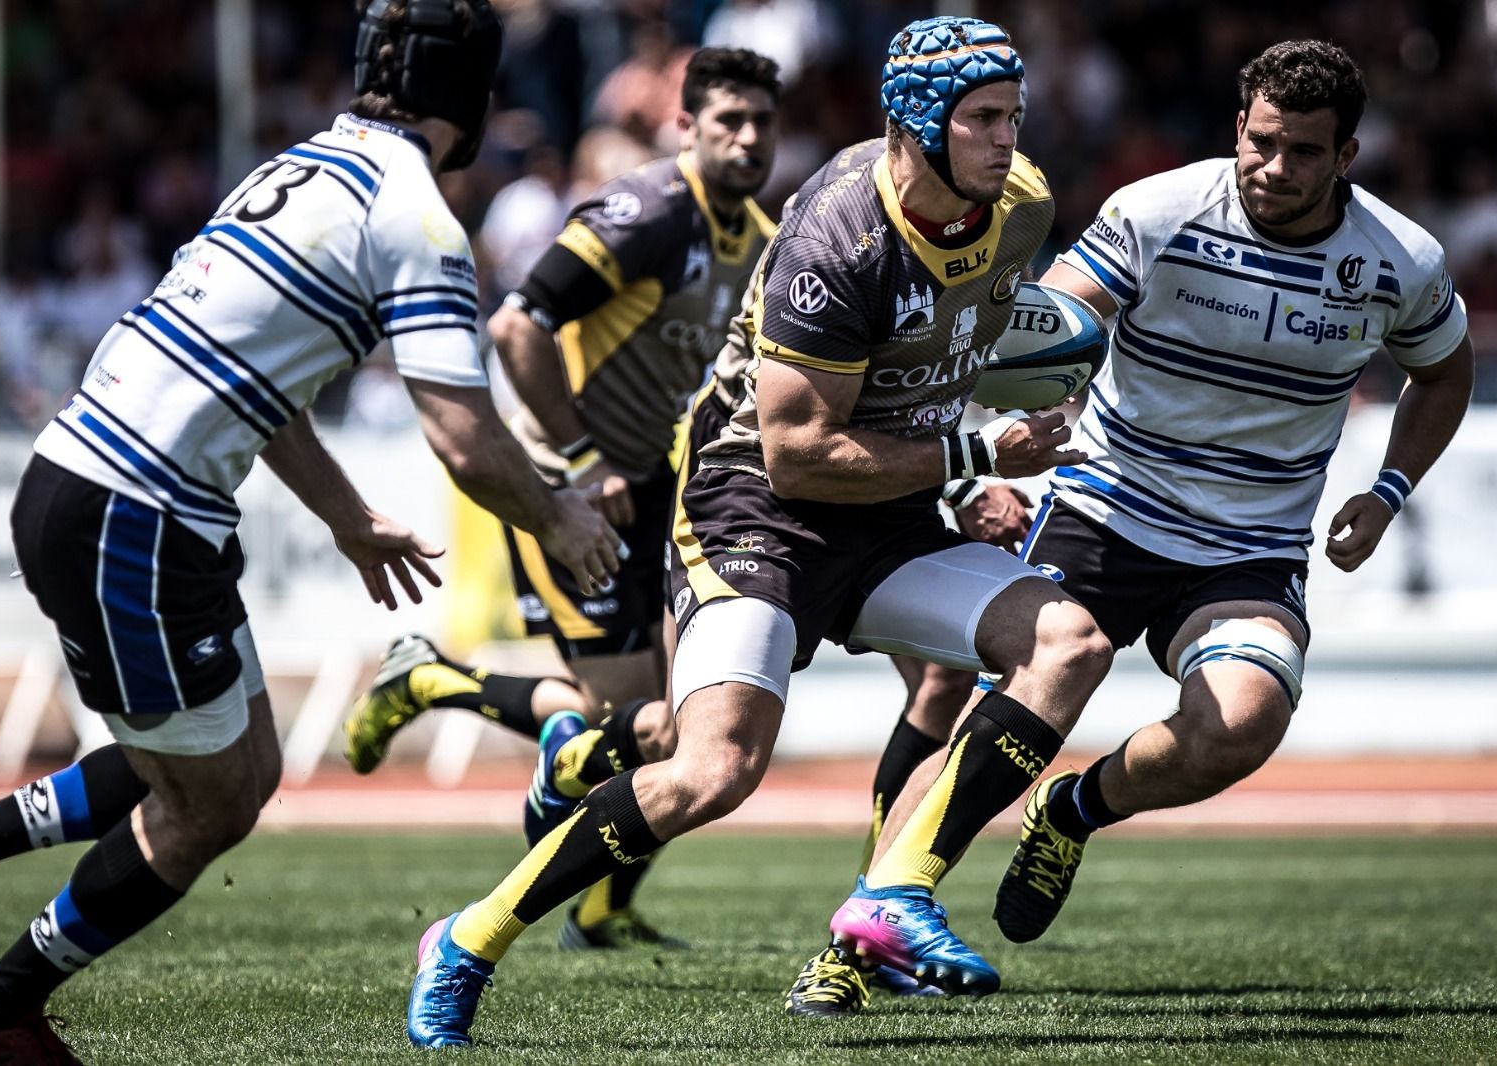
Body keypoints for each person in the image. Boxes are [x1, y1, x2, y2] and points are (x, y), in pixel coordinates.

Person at [400, 16, 1107, 1049]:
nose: (1009, 141)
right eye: (984, 119)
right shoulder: (834, 239)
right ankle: (465, 938)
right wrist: (976, 460)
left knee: (1067, 642)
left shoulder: (1020, 207)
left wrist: (958, 469)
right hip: (754, 508)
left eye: (1013, 116)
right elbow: (797, 453)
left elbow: (942, 359)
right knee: (712, 769)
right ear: (916, 123)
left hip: (892, 512)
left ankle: (895, 892)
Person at [0, 3, 621, 1061]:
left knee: (235, 764)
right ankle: (2, 1008)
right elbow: (462, 436)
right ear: (470, 97)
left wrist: (344, 515)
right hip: (132, 518)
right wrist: (559, 515)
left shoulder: (309, 167)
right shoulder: (415, 214)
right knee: (204, 804)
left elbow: (251, 375)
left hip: (109, 490)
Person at [791, 38, 1478, 1016]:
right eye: (1260, 141)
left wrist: (1392, 485)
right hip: (1103, 512)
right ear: (1237, 127)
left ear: (1347, 156)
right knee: (993, 716)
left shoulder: (1396, 260)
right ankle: (854, 939)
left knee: (1241, 723)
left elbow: (1445, 371)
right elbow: (1059, 318)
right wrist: (1033, 400)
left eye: (1301, 152)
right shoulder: (1157, 211)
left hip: (1250, 545)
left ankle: (1074, 806)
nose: (1273, 168)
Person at [343, 46, 783, 948]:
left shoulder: (764, 238)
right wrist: (581, 462)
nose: (747, 138)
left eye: (761, 122)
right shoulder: (649, 212)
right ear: (686, 126)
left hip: (653, 486)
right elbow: (515, 326)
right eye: (728, 120)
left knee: (680, 720)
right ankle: (434, 680)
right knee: (647, 725)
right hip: (567, 482)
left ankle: (599, 907)